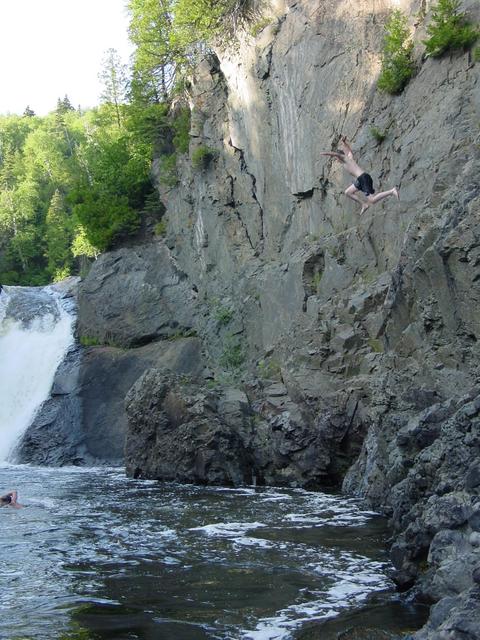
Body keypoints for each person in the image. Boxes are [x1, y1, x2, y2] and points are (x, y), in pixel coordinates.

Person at [320, 136, 399, 215]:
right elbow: (349, 151)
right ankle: (363, 205)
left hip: (363, 178)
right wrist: (344, 143)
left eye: (337, 158)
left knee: (372, 200)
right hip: (360, 180)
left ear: (339, 157)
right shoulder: (349, 158)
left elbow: (337, 154)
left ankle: (392, 191)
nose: (337, 160)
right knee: (348, 192)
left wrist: (326, 153)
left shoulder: (345, 159)